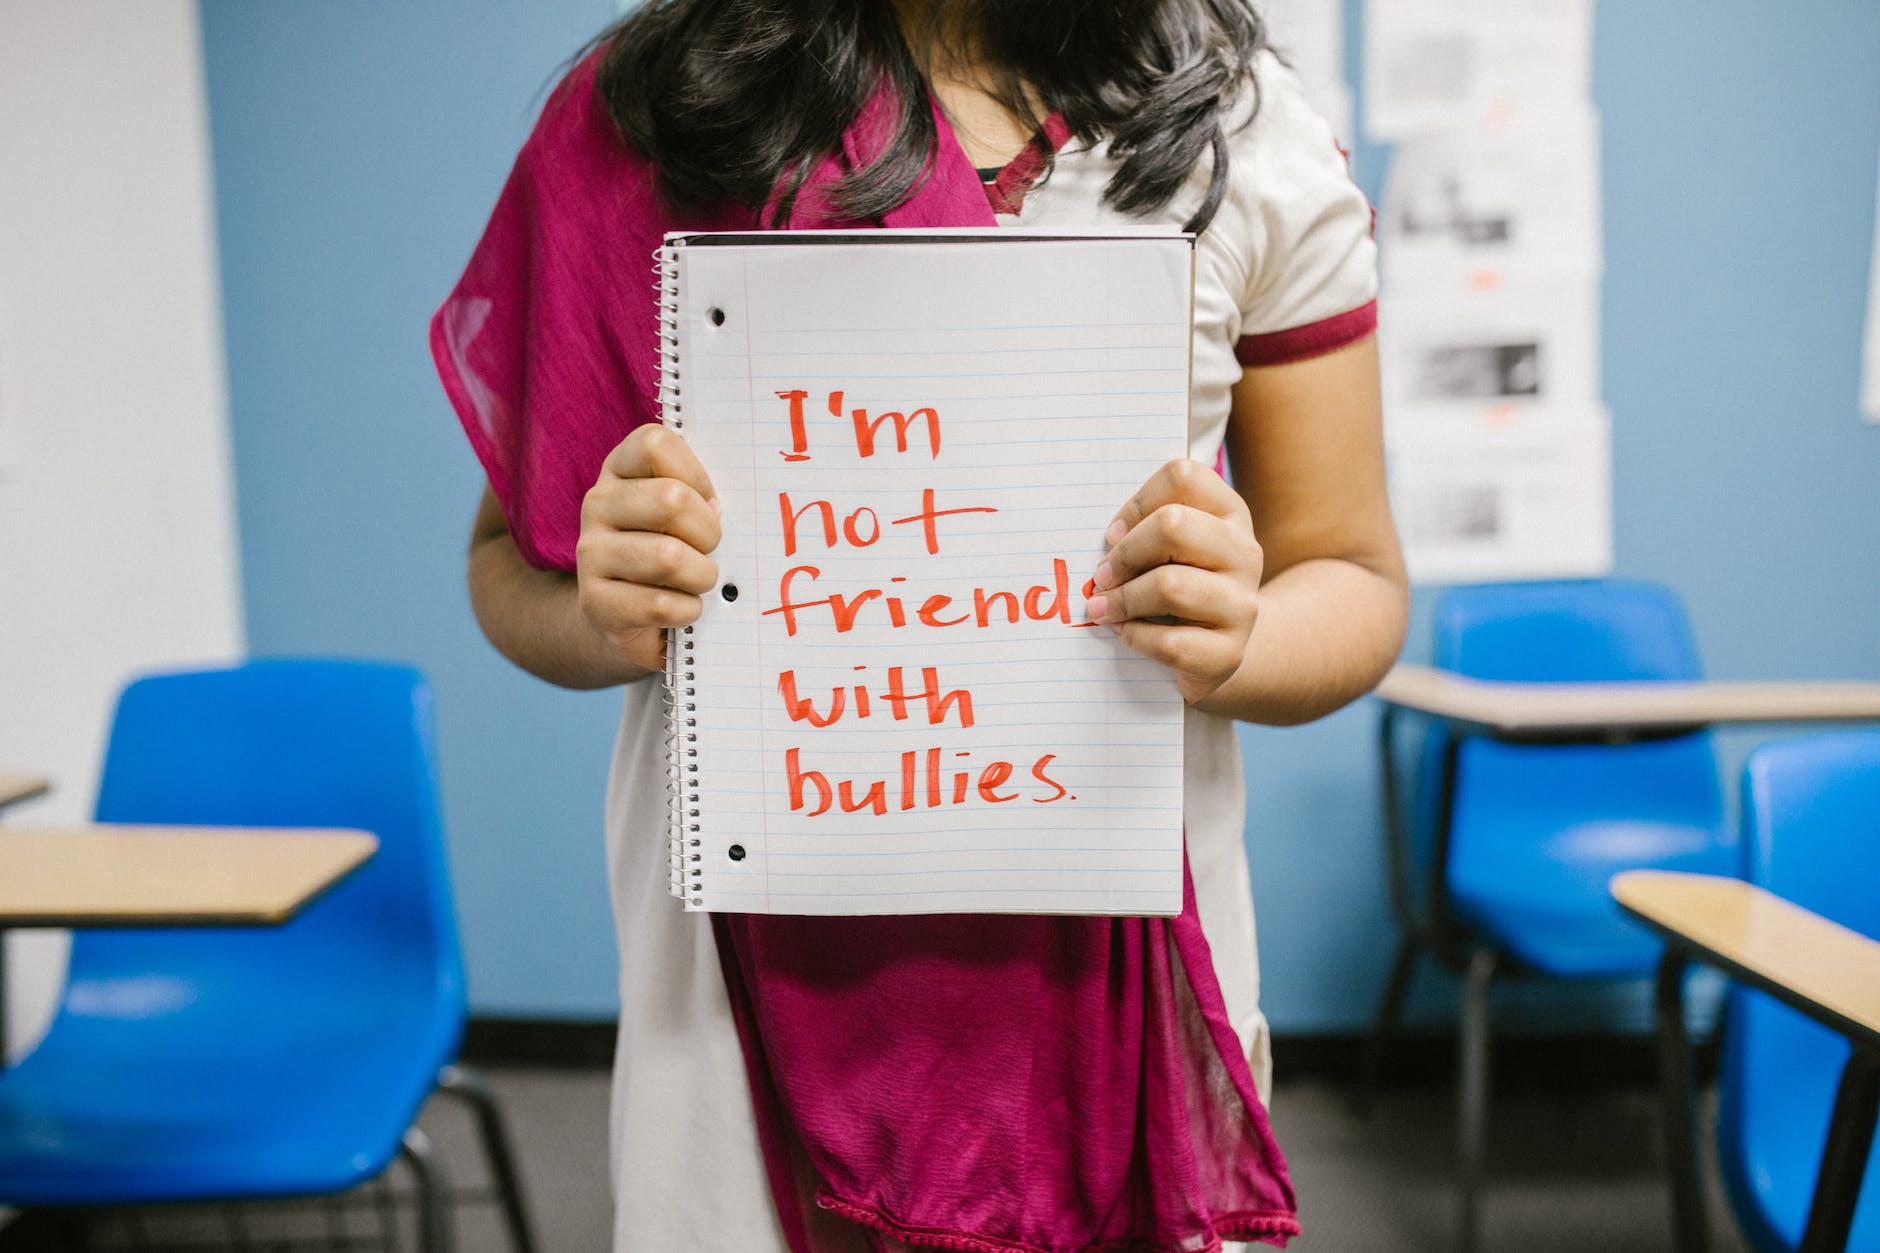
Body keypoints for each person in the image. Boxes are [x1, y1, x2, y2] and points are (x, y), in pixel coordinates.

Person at [432, 1, 1408, 1249]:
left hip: (1116, 979)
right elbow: (505, 570)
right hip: (739, 997)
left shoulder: (1233, 131)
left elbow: (1352, 574)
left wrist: (1240, 635)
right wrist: (601, 609)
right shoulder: (654, 113)